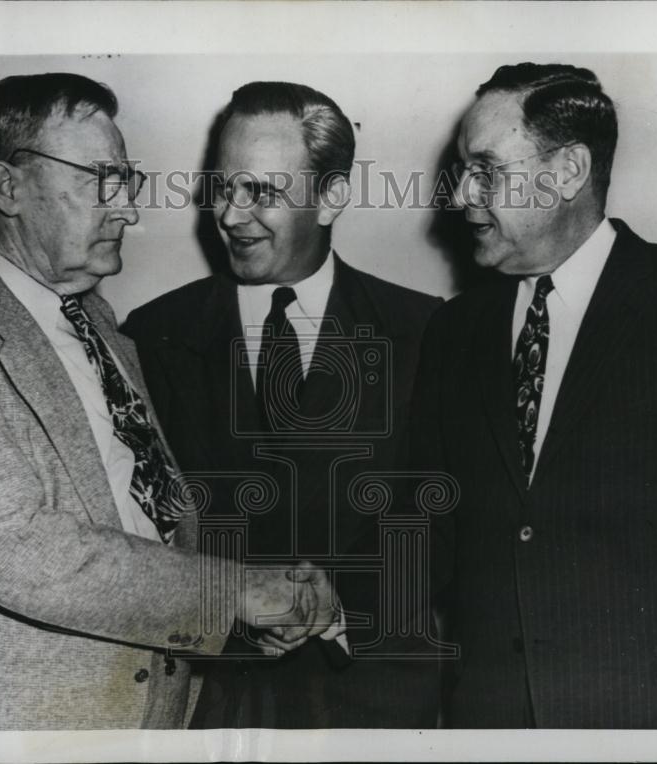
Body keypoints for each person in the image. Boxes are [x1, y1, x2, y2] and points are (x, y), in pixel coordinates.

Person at [0, 72, 339, 731]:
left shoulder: (102, 326)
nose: (128, 210)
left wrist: (241, 621)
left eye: (127, 180)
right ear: (9, 187)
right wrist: (235, 595)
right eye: (99, 179)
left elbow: (151, 525)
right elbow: (25, 552)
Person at [413, 63, 657, 728]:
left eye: (486, 169)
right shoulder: (454, 331)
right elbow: (429, 532)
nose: (462, 196)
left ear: (567, 172)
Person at [124, 81, 443, 728]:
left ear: (330, 197)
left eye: (261, 192)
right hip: (209, 705)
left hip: (372, 705)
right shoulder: (152, 334)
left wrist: (341, 607)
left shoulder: (427, 333)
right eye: (223, 187)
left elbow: (448, 522)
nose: (232, 216)